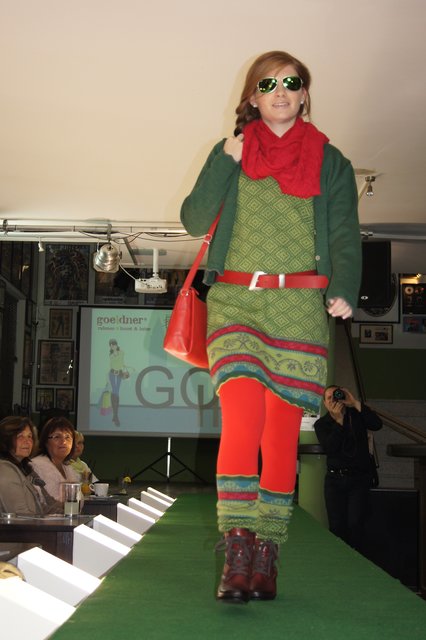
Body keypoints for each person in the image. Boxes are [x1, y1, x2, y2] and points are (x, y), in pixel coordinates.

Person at [180, 50, 361, 603]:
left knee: (280, 434)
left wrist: (344, 286)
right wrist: (225, 161)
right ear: (252, 97)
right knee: (241, 419)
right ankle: (237, 551)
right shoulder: (231, 152)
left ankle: (267, 555)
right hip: (236, 301)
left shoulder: (331, 161)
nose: (279, 91)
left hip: (300, 306)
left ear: (304, 94)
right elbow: (193, 219)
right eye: (267, 84)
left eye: (290, 82)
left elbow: (344, 231)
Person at [314, 386, 382, 550]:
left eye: (336, 395)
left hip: (359, 479)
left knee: (356, 524)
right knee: (336, 526)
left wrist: (355, 402)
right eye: (329, 398)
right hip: (334, 481)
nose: (333, 400)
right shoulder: (322, 424)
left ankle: (357, 559)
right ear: (325, 403)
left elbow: (377, 424)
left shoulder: (356, 416)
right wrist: (338, 422)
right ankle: (338, 559)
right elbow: (330, 448)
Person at [0, 416, 61, 516]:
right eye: (20, 436)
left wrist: (70, 512)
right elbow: (21, 517)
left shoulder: (26, 468)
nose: (27, 441)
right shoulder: (5, 469)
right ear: (5, 440)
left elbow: (45, 506)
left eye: (29, 436)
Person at [31, 416, 80, 502]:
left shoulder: (68, 468)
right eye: (57, 437)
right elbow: (49, 501)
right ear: (45, 441)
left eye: (68, 437)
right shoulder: (37, 465)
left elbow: (79, 500)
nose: (64, 441)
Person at [108, 338, 127, 426]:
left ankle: (115, 415)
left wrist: (124, 372)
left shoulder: (121, 352)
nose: (112, 346)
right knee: (115, 392)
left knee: (116, 393)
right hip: (112, 374)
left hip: (119, 374)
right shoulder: (111, 355)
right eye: (111, 345)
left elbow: (121, 363)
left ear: (116, 345)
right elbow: (112, 365)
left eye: (114, 345)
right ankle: (115, 416)